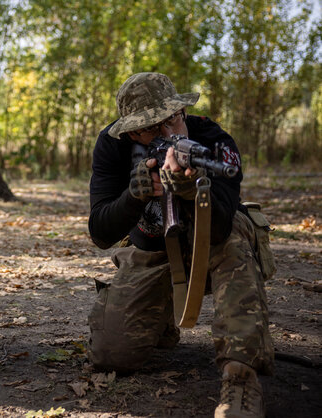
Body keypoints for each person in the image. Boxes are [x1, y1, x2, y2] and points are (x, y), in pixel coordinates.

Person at [87, 72, 274, 417]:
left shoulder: (212, 142)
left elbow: (218, 229)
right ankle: (159, 321)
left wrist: (190, 192)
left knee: (235, 236)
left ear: (182, 113)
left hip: (213, 243)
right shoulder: (112, 145)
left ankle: (241, 378)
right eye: (149, 128)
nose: (165, 134)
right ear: (130, 131)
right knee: (111, 355)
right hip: (153, 250)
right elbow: (99, 232)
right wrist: (132, 198)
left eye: (171, 121)